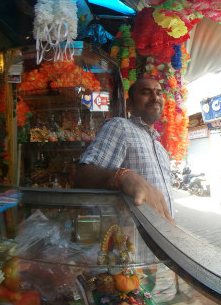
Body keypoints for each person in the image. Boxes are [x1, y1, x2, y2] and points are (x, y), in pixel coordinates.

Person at [74, 77, 173, 222]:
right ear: (129, 104)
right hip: (130, 239)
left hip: (162, 236)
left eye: (159, 93)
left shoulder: (160, 149)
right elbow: (83, 175)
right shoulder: (120, 127)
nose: (155, 98)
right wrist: (123, 176)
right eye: (146, 92)